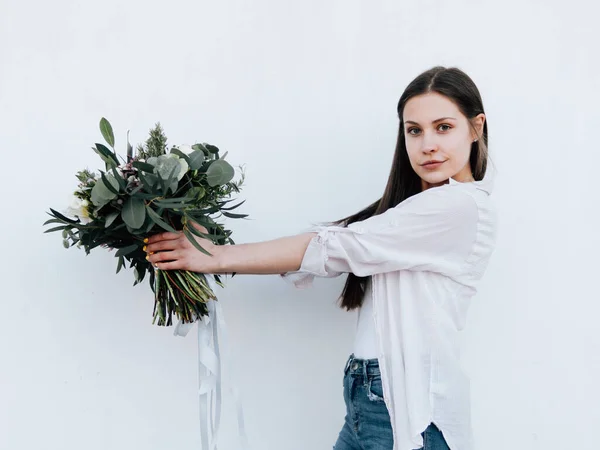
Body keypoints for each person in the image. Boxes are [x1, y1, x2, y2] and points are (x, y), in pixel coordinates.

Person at [144, 66, 498, 450]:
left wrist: (215, 256)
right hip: (369, 397)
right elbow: (330, 242)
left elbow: (333, 247)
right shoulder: (408, 212)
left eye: (443, 127)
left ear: (476, 127)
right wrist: (206, 240)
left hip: (409, 406)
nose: (427, 143)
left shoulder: (460, 207)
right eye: (414, 130)